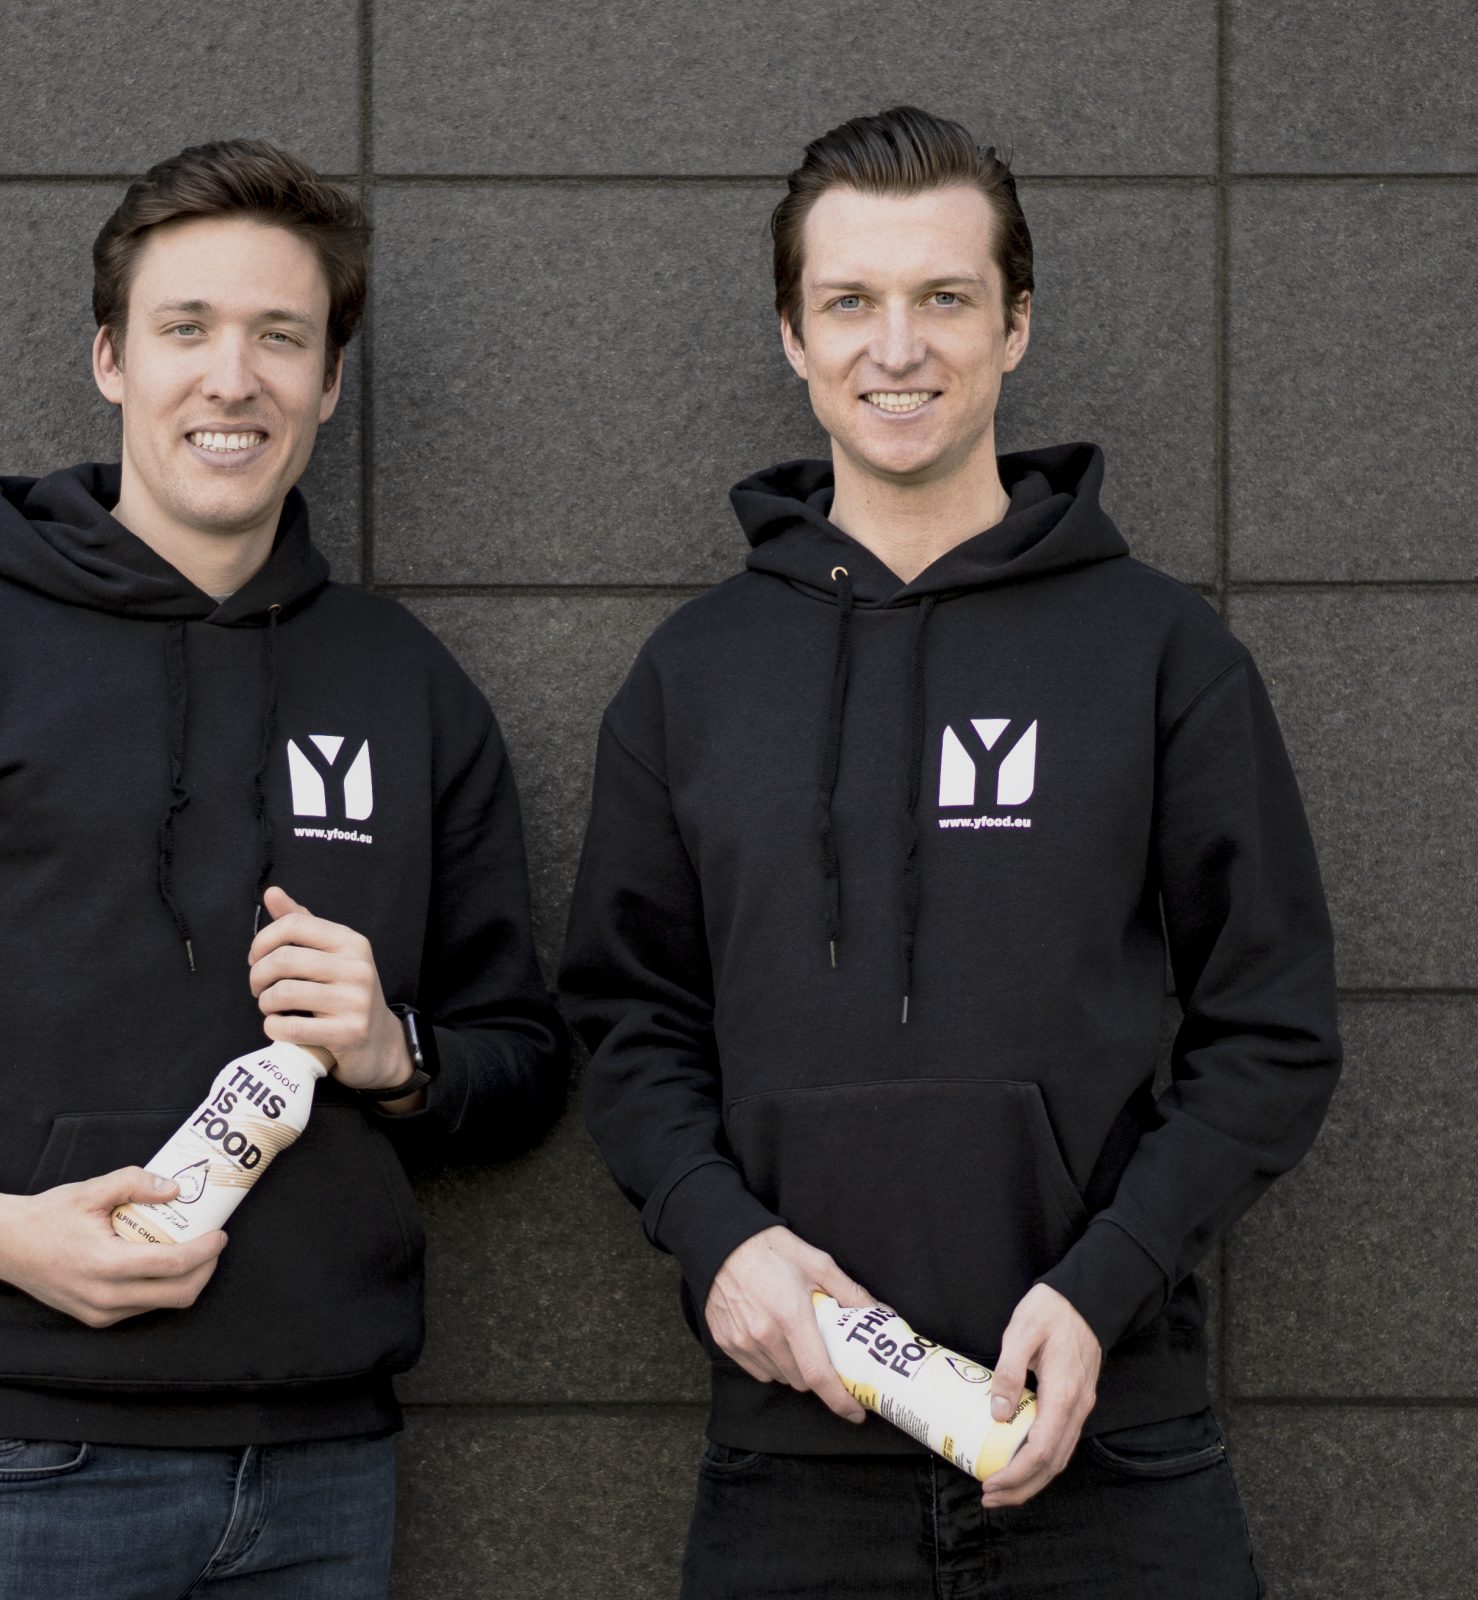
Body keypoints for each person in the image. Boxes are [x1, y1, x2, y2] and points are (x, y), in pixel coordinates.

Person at [0, 138, 570, 1599]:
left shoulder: (408, 685)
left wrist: (400, 1056)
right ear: (111, 358)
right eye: (186, 328)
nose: (233, 378)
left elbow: (522, 1062)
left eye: (281, 336)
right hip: (27, 1460)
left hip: (329, 1467)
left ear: (330, 381)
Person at [562, 106, 1341, 1597]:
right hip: (793, 1467)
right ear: (793, 335)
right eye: (850, 301)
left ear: (1016, 323)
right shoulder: (694, 675)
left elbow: (1273, 1028)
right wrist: (718, 1240)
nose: (898, 347)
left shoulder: (1160, 653)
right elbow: (629, 1020)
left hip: (1110, 1449)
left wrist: (1108, 1283)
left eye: (944, 297)